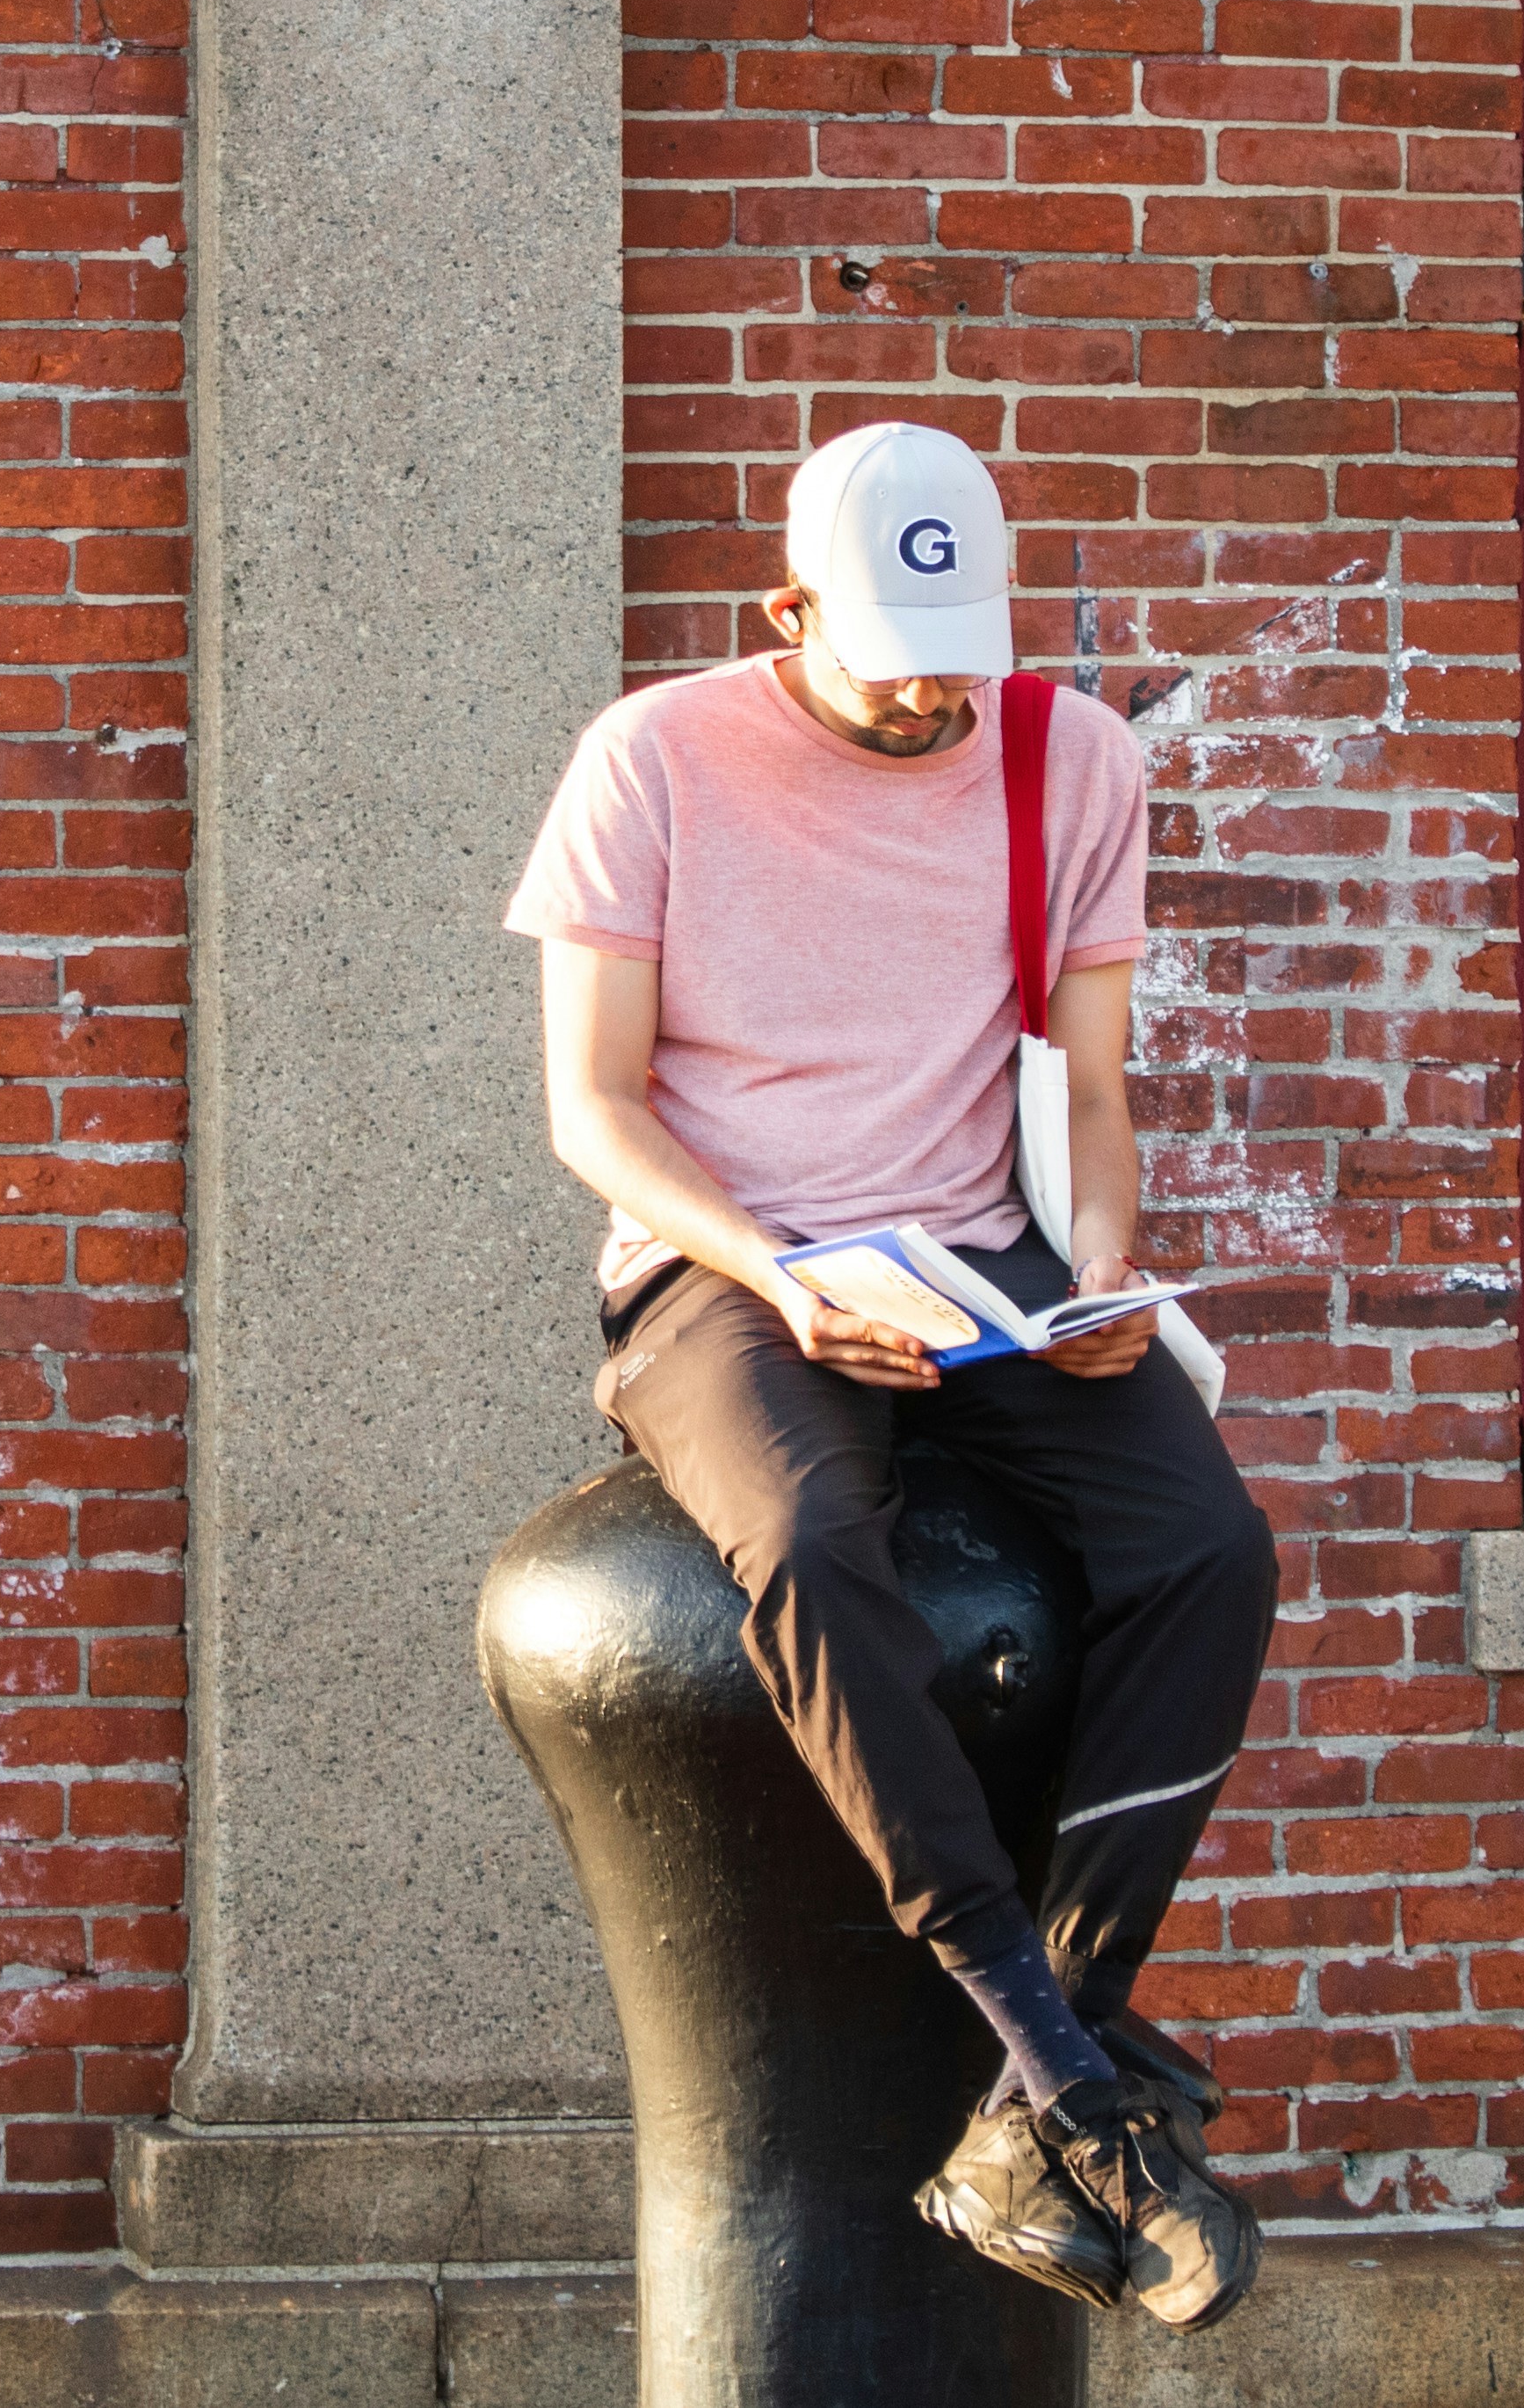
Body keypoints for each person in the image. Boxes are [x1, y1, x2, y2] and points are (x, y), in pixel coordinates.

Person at [504, 418, 1280, 2332]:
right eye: (890, 650)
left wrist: (1100, 1266)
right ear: (786, 609)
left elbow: (1090, 1087)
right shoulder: (654, 762)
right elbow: (590, 1110)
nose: (937, 689)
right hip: (722, 1267)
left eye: (965, 646)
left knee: (1211, 1551)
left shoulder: (1071, 756)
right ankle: (1068, 2072)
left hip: (979, 1260)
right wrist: (774, 1267)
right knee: (819, 1543)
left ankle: (1044, 2098)